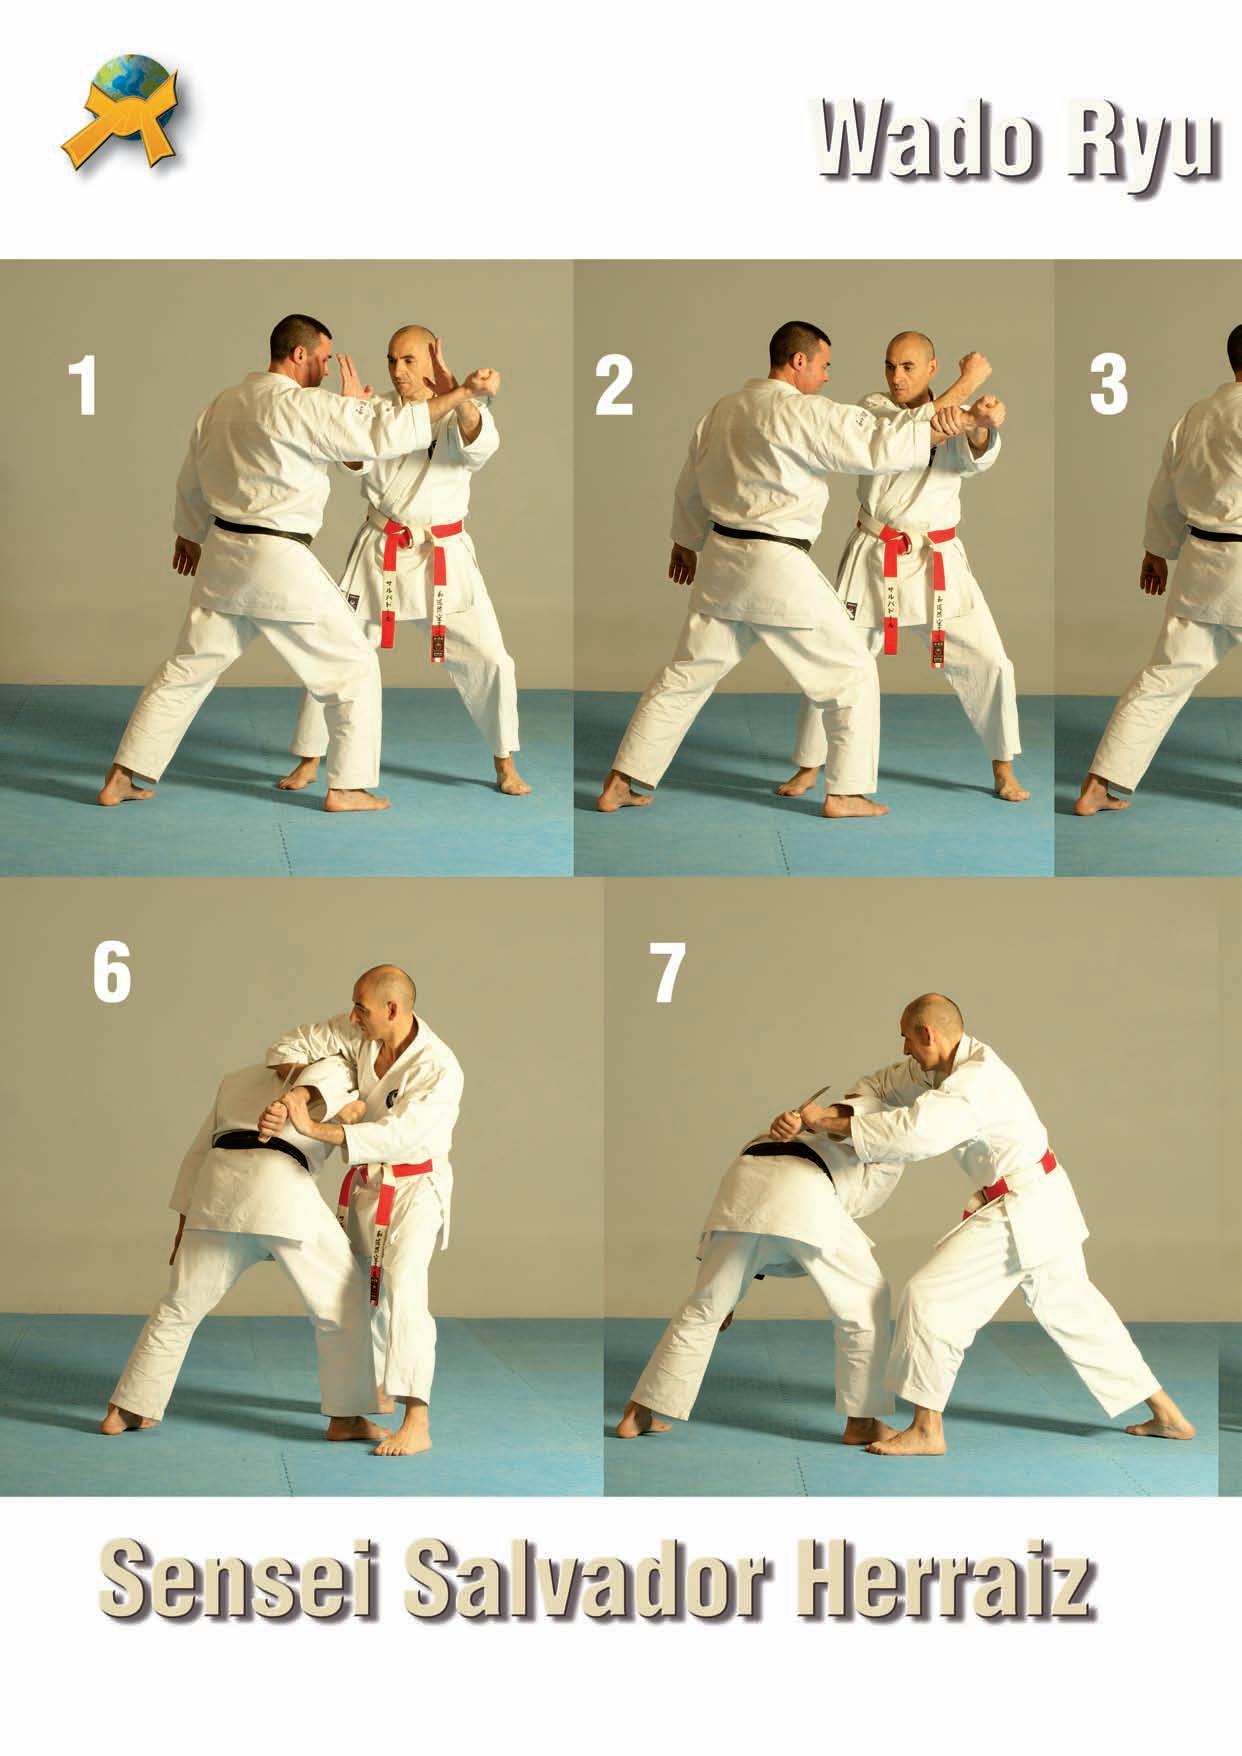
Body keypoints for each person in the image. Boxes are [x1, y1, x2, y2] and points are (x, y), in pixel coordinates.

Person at [98, 312, 497, 814]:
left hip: (222, 555)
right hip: (276, 559)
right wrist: (460, 393)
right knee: (354, 665)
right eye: (324, 359)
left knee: (187, 668)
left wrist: (189, 532)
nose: (327, 371)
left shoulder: (223, 403)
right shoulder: (301, 405)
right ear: (299, 354)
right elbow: (386, 433)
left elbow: (192, 473)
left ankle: (121, 776)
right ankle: (347, 787)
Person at [596, 321, 993, 819]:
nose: (827, 377)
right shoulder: (802, 412)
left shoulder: (724, 409)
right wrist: (966, 386)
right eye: (824, 366)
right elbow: (886, 443)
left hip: (720, 561)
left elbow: (691, 479)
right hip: (775, 565)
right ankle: (846, 792)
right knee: (852, 671)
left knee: (685, 675)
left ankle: (620, 781)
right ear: (799, 361)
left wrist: (685, 541)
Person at [771, 993, 1195, 1456]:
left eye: (907, 1039)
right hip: (1044, 1202)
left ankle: (927, 1429)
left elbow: (914, 1134)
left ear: (927, 1034)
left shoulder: (975, 1080)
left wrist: (827, 1126)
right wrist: (829, 1116)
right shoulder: (935, 1067)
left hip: (1022, 1208)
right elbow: (881, 1088)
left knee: (930, 1297)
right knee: (1079, 1314)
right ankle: (1168, 1416)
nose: (905, 1049)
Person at [775, 331, 1026, 803]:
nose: (896, 376)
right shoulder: (872, 410)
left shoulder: (952, 410)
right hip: (875, 555)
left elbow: (974, 457)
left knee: (991, 661)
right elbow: (908, 430)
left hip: (937, 560)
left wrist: (979, 424)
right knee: (835, 659)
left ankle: (1003, 766)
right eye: (890, 366)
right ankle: (810, 765)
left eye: (908, 367)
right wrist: (968, 385)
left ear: (931, 368)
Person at [278, 325, 527, 799]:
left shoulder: (460, 410)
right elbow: (354, 462)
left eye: (409, 360)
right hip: (381, 549)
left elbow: (479, 444)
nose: (398, 370)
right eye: (392, 360)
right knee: (336, 649)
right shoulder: (377, 410)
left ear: (433, 359)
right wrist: (350, 415)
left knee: (492, 658)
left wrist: (462, 395)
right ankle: (310, 757)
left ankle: (504, 760)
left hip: (442, 555)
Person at [101, 1060, 385, 1444]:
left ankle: (127, 1408)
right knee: (342, 1300)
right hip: (280, 1190)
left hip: (216, 1192)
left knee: (178, 1307)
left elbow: (198, 1152)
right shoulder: (335, 1072)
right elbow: (353, 1120)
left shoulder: (236, 1079)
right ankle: (346, 1417)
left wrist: (185, 1218)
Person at [260, 965, 462, 1458]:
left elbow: (400, 1136)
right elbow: (288, 1047)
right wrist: (311, 1092)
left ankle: (417, 1419)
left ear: (392, 1009)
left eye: (361, 1008)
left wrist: (315, 1128)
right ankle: (359, 1402)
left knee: (404, 1286)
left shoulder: (438, 1067)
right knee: (350, 1288)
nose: (352, 1016)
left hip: (415, 1186)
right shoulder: (359, 1034)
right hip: (367, 1181)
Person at [616, 1119, 905, 1444]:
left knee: (704, 1310)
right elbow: (859, 1202)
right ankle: (861, 1423)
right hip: (803, 1188)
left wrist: (725, 1296)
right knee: (864, 1303)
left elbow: (760, 1221)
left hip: (744, 1182)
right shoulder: (886, 1133)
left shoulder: (813, 1122)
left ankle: (637, 1413)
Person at [1077, 325, 1242, 815]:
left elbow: (1166, 488)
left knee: (1163, 679)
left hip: (1202, 565)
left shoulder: (1196, 415)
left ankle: (1100, 783)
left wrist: (1156, 550)